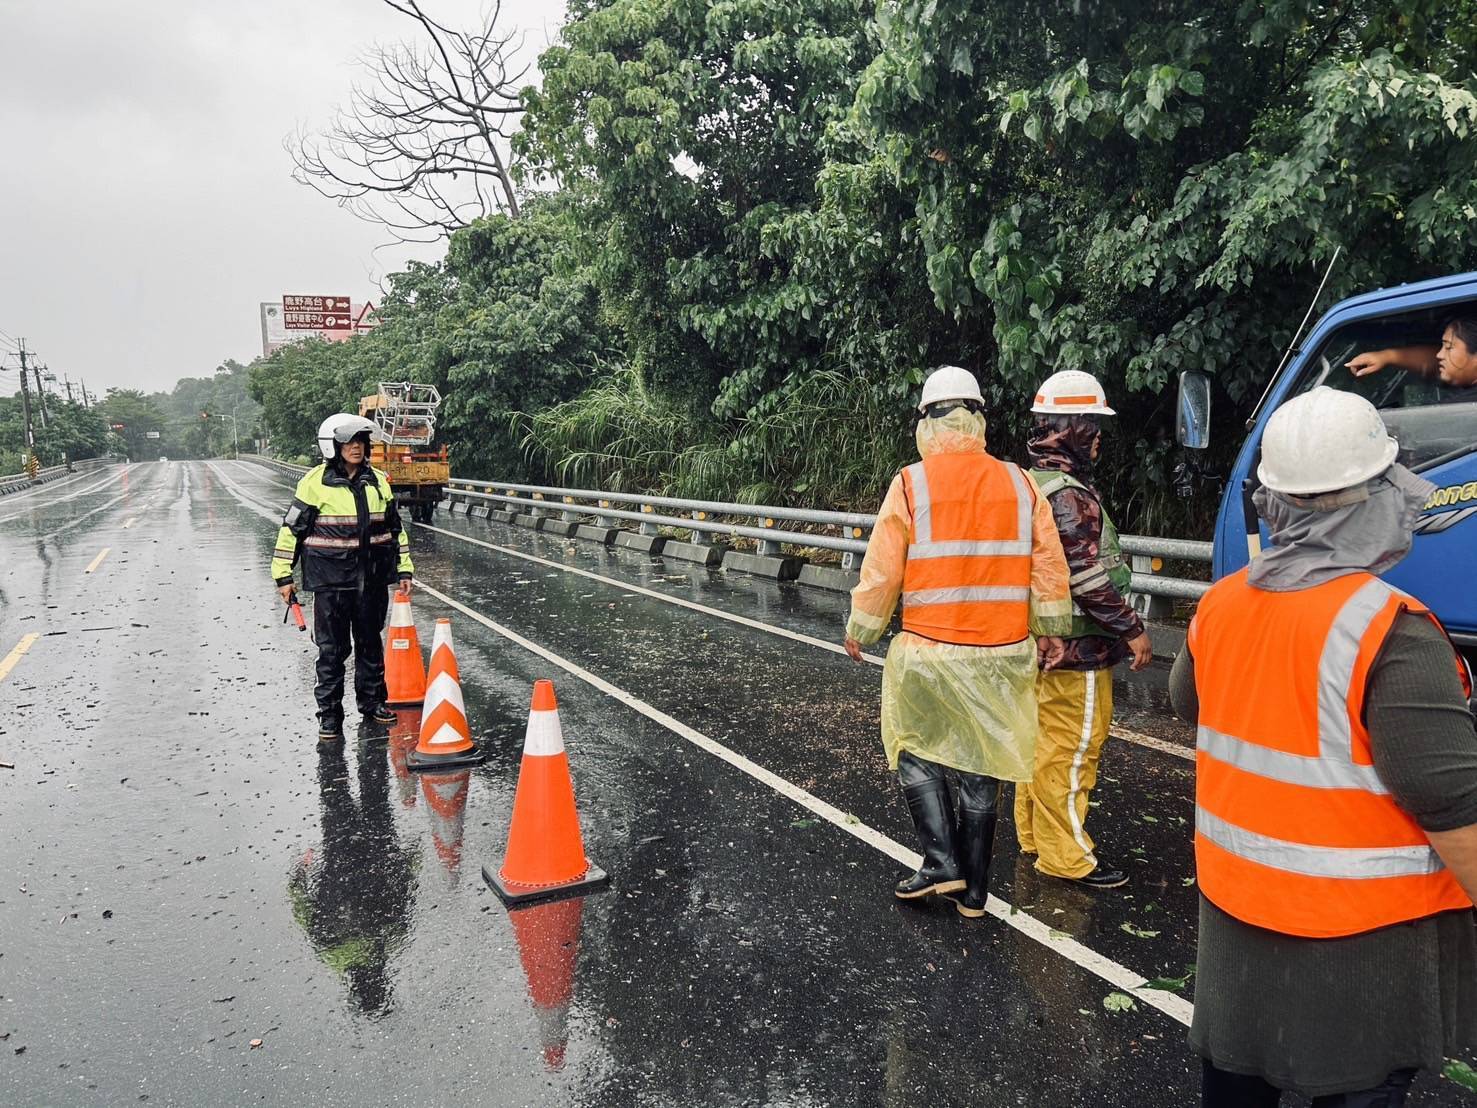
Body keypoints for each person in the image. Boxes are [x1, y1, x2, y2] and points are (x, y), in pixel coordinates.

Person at [1170, 386, 1477, 1106]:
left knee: (1235, 1089)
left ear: (1272, 503)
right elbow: (1450, 804)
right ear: (1375, 498)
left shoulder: (1221, 602)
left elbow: (1192, 705)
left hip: (1237, 918)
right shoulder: (1391, 631)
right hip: (1359, 949)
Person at [844, 365, 1073, 919]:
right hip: (1001, 654)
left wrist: (862, 628)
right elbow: (1048, 564)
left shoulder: (910, 483)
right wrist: (1053, 631)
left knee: (915, 748)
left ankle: (940, 861)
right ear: (979, 419)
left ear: (926, 420)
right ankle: (974, 894)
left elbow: (882, 571)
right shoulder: (1021, 483)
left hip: (929, 652)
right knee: (982, 761)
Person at [1013, 370, 1153, 891]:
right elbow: (1089, 577)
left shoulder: (1030, 483)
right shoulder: (1068, 496)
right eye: (1091, 425)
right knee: (1072, 752)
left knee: (1040, 747)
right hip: (1080, 646)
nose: (1098, 436)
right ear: (1069, 428)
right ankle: (1068, 858)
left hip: (1040, 643)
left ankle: (1036, 840)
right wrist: (1132, 628)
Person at [271, 414, 415, 743]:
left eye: (362, 443)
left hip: (372, 581)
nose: (357, 448)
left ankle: (373, 703)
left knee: (370, 645)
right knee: (332, 651)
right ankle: (330, 716)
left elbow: (395, 531)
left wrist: (404, 569)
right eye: (350, 442)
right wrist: (283, 576)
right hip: (331, 583)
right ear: (333, 446)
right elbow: (291, 530)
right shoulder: (314, 483)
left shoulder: (379, 481)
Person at [1345, 315, 1477, 402]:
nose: (1439, 355)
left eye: (1448, 347)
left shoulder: (1461, 408)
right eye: (1441, 347)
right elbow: (1432, 361)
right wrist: (1386, 357)